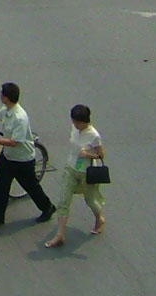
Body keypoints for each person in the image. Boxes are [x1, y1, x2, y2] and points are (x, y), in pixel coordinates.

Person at [0, 82, 56, 228]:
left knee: (31, 186)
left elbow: (14, 142)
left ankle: (47, 208)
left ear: (6, 97)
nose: (0, 95)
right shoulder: (6, 109)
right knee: (0, 186)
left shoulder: (20, 117)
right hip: (8, 156)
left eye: (2, 93)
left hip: (22, 160)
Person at [42, 103, 105, 247]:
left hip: (85, 173)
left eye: (77, 122)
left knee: (91, 201)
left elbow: (101, 154)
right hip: (70, 168)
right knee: (63, 201)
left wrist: (87, 154)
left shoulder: (94, 135)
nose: (74, 124)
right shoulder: (75, 129)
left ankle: (99, 218)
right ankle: (60, 235)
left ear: (84, 121)